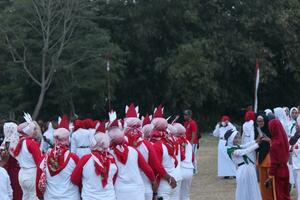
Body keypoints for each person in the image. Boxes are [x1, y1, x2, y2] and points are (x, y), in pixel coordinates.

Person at [124, 103, 174, 200]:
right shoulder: (147, 145)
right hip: (145, 186)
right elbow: (154, 165)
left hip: (122, 189)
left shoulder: (119, 145)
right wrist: (156, 181)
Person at [107, 111, 158, 200]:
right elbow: (147, 168)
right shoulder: (133, 150)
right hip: (137, 190)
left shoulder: (108, 154)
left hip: (120, 191)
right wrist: (154, 182)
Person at [71, 121, 118, 200]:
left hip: (89, 196)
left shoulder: (85, 159)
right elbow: (114, 178)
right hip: (109, 196)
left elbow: (74, 178)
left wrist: (83, 186)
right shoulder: (111, 159)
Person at [37, 115, 80, 200]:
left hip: (50, 197)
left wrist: (39, 195)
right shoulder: (74, 158)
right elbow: (79, 178)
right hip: (71, 197)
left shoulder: (45, 158)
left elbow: (38, 176)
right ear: (68, 139)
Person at [225, 129, 262, 200]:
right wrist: (257, 145)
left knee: (251, 187)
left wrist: (255, 141)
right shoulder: (231, 150)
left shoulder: (236, 146)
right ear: (230, 139)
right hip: (242, 170)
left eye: (237, 138)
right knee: (244, 189)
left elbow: (245, 145)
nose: (237, 140)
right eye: (235, 138)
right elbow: (245, 151)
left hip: (248, 168)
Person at [14, 113, 42, 200]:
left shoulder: (21, 142)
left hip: (22, 173)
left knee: (25, 196)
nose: (35, 131)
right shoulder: (31, 143)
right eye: (33, 129)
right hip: (32, 173)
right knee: (34, 196)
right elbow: (39, 161)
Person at [267, 119, 291, 200]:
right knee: (285, 194)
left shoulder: (274, 145)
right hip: (285, 169)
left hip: (278, 172)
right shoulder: (284, 141)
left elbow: (274, 163)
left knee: (278, 195)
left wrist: (270, 175)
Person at [254, 113, 274, 200]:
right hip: (261, 157)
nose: (260, 123)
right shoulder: (257, 130)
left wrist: (268, 140)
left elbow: (275, 142)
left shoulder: (270, 130)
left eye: (261, 121)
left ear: (265, 121)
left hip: (269, 157)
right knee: (262, 182)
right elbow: (256, 145)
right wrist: (257, 141)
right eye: (258, 121)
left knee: (270, 180)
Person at [1, 122, 23, 200]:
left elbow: (5, 161)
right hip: (22, 171)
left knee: (15, 193)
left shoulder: (7, 144)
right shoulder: (21, 141)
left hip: (11, 173)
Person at [173, 123, 194, 200]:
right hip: (189, 169)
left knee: (176, 195)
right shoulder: (188, 142)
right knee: (185, 195)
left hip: (180, 169)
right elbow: (192, 157)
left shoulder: (176, 142)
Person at [183, 110, 199, 174]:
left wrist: (192, 142)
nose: (184, 116)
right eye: (184, 114)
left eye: (186, 115)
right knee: (189, 155)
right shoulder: (186, 123)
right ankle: (191, 169)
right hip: (187, 142)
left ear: (190, 115)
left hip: (193, 142)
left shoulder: (193, 123)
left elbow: (194, 133)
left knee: (193, 155)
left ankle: (195, 169)